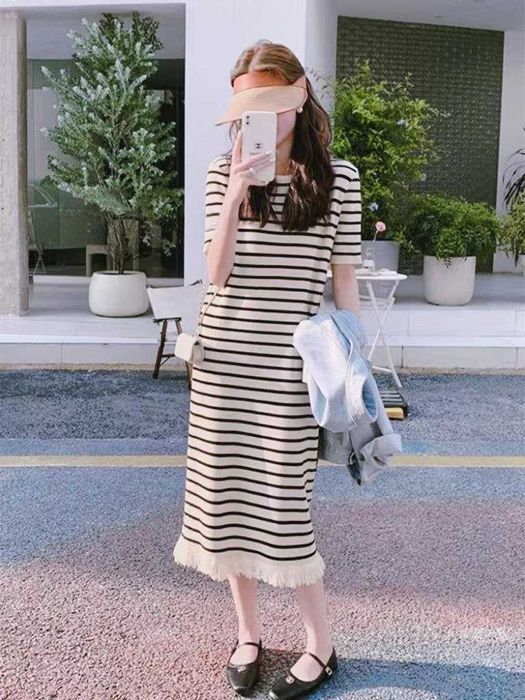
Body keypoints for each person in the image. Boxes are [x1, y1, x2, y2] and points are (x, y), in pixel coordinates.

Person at [173, 39, 362, 699]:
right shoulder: (221, 172)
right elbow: (216, 274)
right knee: (226, 501)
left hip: (288, 368)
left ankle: (321, 645)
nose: (263, 118)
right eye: (251, 108)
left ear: (300, 96)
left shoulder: (339, 178)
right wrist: (235, 193)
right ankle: (248, 634)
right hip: (223, 364)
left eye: (275, 103)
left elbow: (343, 282)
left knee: (285, 509)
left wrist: (355, 369)